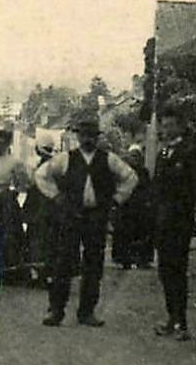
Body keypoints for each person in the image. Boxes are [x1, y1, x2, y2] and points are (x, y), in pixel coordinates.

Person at [32, 115, 138, 327]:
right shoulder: (65, 159)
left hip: (96, 217)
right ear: (78, 137)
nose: (87, 139)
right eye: (84, 135)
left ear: (97, 138)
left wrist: (116, 200)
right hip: (71, 216)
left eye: (92, 135)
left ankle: (87, 312)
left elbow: (131, 177)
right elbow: (41, 175)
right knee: (63, 262)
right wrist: (56, 196)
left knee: (93, 264)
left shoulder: (109, 159)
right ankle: (56, 310)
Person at [150, 107, 196, 340]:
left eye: (171, 125)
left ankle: (182, 323)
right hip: (162, 218)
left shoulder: (189, 152)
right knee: (165, 270)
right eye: (164, 125)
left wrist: (186, 204)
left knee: (177, 270)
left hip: (179, 218)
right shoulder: (164, 152)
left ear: (180, 125)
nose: (166, 130)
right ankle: (172, 317)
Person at [0, 128, 31, 285]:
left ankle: (11, 274)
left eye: (1, 143)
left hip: (7, 203)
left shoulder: (15, 162)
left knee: (9, 236)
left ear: (7, 144)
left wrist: (12, 194)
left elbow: (23, 183)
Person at [113, 144, 154, 268]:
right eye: (132, 156)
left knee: (141, 234)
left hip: (140, 208)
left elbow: (147, 188)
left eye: (137, 156)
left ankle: (141, 259)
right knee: (124, 233)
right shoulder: (124, 172)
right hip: (126, 207)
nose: (134, 159)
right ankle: (124, 259)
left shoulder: (143, 172)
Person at [21, 142, 57, 288]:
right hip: (39, 206)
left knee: (41, 240)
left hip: (43, 206)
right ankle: (40, 274)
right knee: (38, 240)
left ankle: (42, 275)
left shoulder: (47, 168)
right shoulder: (46, 167)